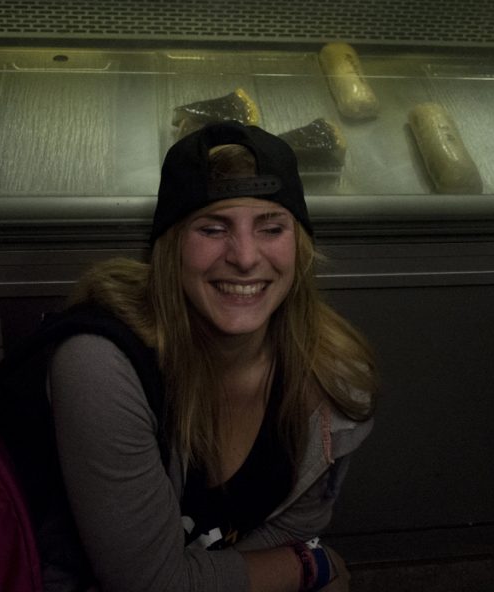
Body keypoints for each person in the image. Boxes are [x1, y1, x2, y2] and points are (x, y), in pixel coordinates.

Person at [41, 121, 379, 591]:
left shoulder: (335, 374)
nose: (245, 257)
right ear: (171, 248)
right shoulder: (101, 364)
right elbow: (149, 583)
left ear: (299, 248)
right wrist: (310, 565)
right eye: (213, 228)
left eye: (271, 228)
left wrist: (263, 570)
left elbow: (295, 528)